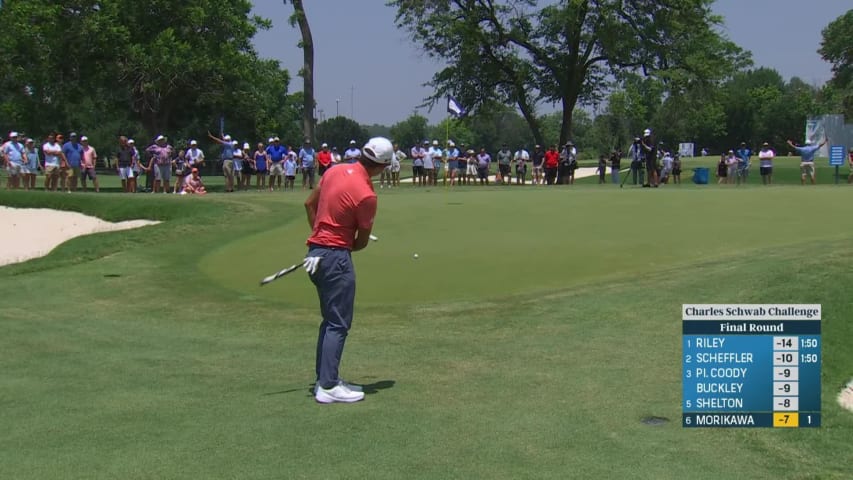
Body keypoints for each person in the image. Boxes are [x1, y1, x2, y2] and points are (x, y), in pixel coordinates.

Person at [303, 137, 393, 404]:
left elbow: (309, 204)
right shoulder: (367, 195)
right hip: (334, 258)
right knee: (338, 323)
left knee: (329, 320)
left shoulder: (334, 170)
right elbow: (361, 242)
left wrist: (321, 242)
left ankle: (325, 378)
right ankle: (328, 386)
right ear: (383, 166)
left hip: (315, 253)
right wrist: (337, 249)